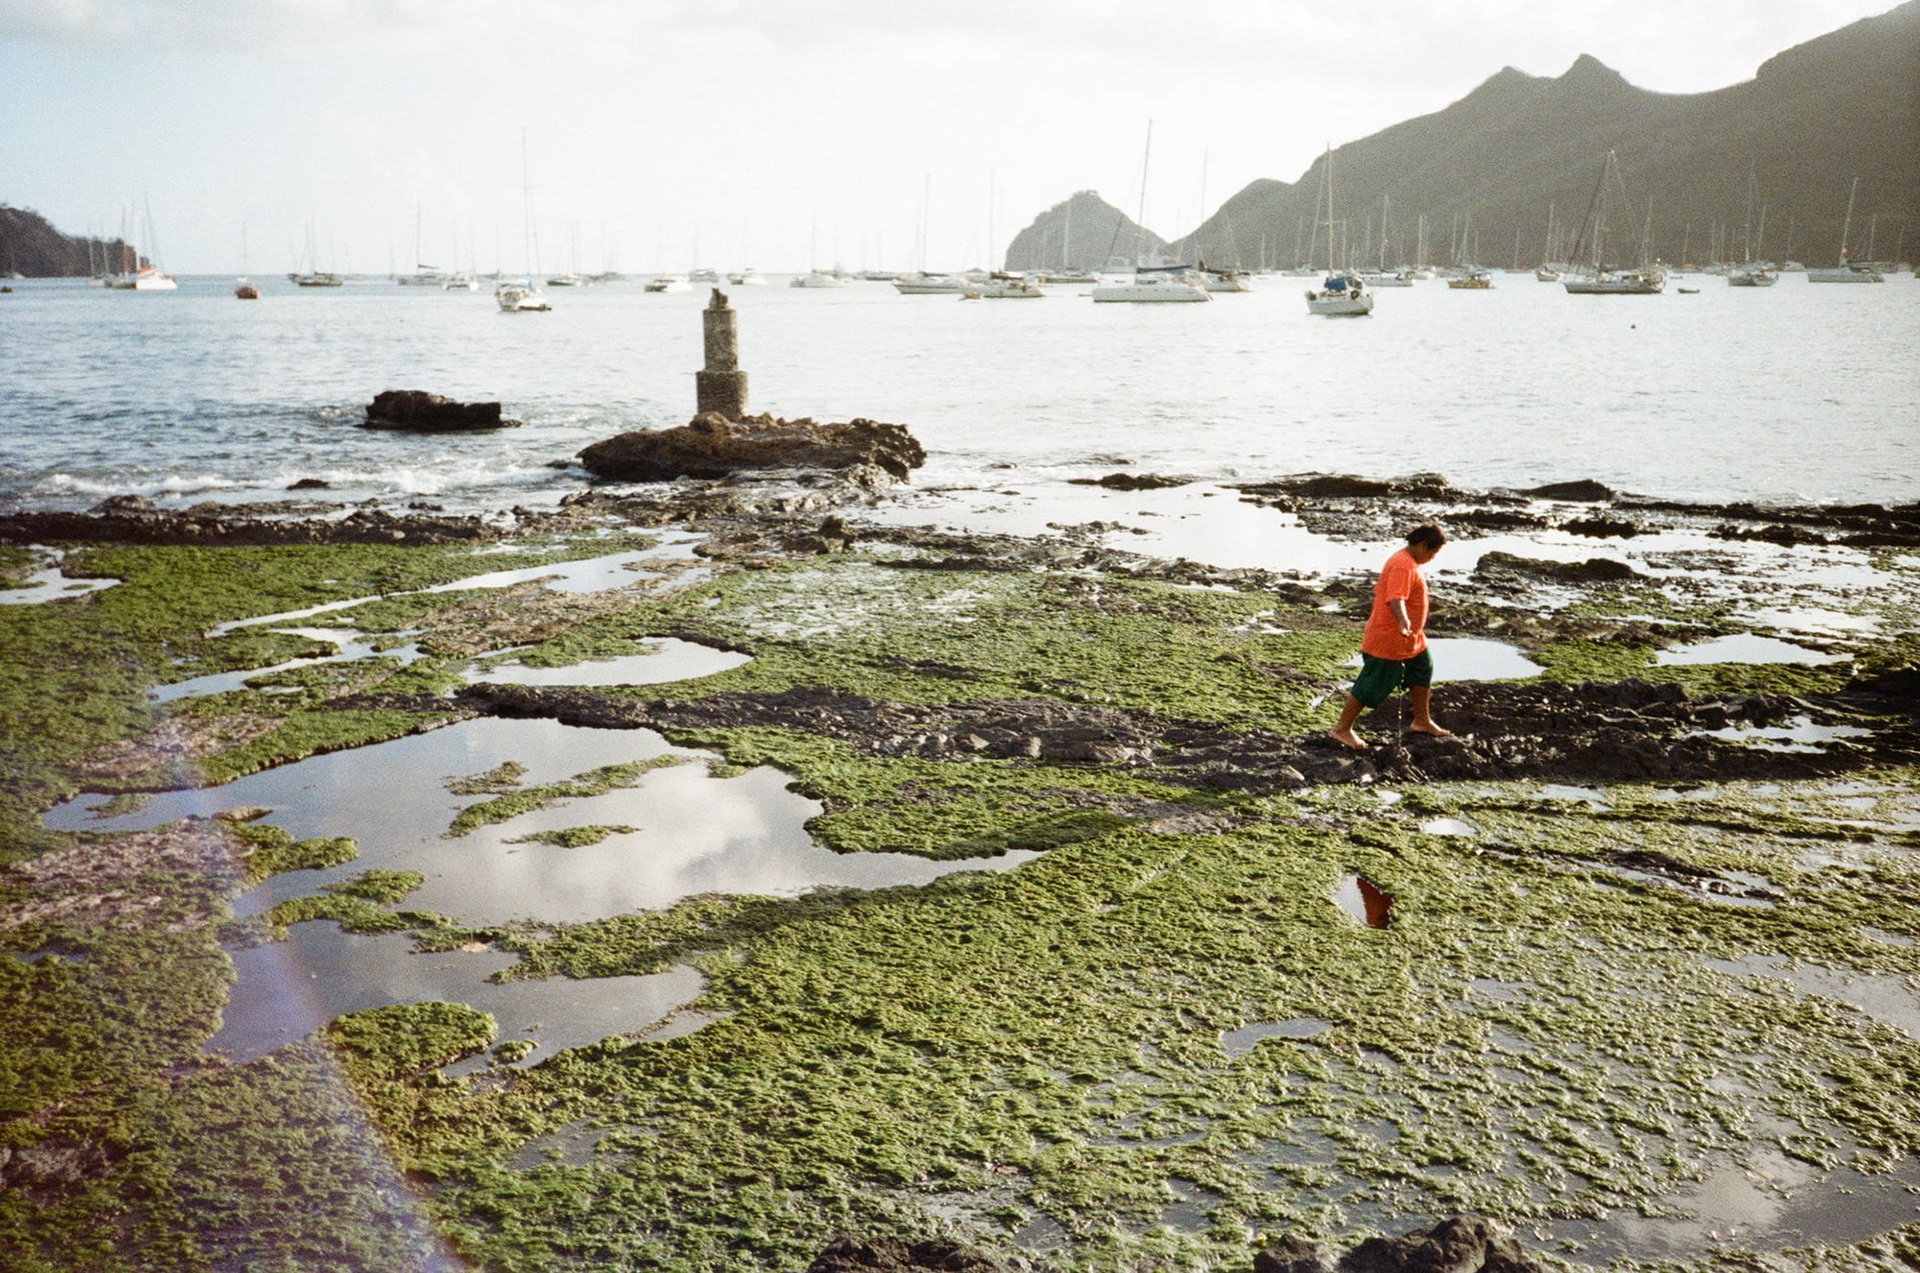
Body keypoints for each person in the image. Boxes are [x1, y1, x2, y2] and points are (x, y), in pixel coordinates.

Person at [1329, 525, 1454, 751]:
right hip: (1390, 637)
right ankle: (1342, 729)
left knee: (1422, 668)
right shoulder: (1402, 565)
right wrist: (1403, 620)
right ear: (1423, 545)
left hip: (1412, 639)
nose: (1432, 558)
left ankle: (1421, 721)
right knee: (1373, 682)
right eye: (1433, 552)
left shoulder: (1409, 562)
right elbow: (1396, 598)